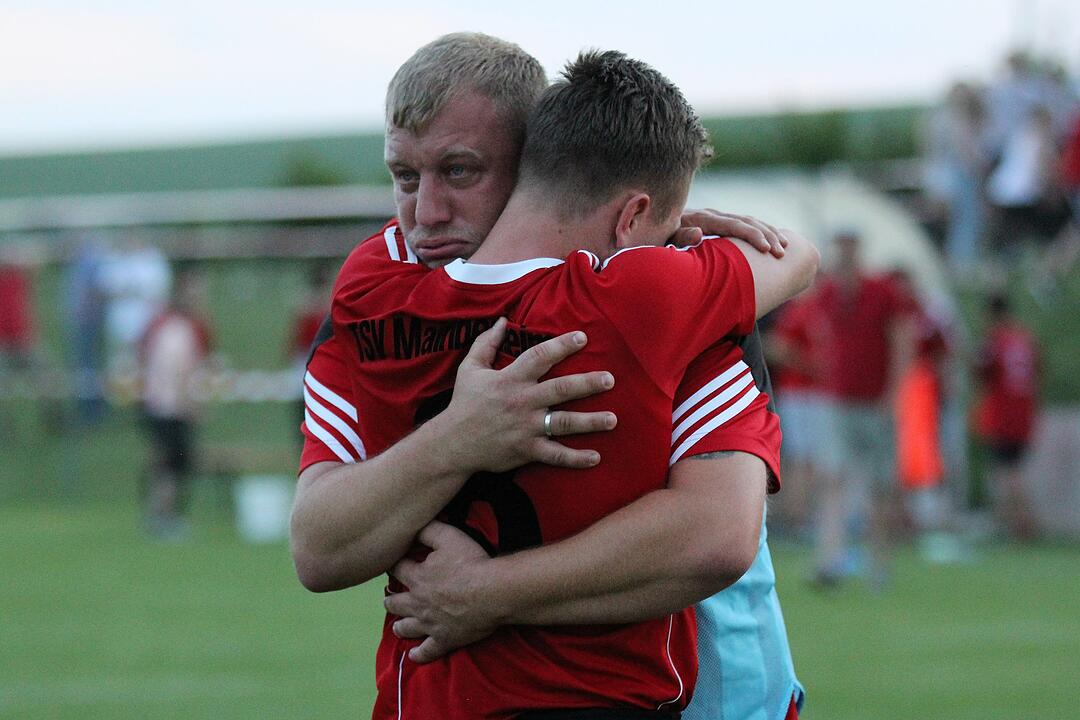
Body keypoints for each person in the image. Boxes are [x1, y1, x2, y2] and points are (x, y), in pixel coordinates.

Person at [291, 34, 811, 719]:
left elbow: (714, 533)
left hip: (712, 699)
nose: (426, 213)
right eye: (405, 178)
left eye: (460, 172)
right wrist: (458, 437)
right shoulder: (376, 292)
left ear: (530, 162)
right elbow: (319, 549)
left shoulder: (373, 290)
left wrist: (483, 593)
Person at [810, 230, 915, 589]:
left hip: (874, 401)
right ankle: (831, 558)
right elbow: (817, 332)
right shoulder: (830, 294)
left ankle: (877, 561)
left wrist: (894, 392)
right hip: (839, 400)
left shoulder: (882, 291)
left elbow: (902, 340)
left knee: (878, 484)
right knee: (834, 478)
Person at [138, 268, 212, 539]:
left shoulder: (171, 326)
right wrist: (191, 403)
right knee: (172, 465)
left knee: (169, 464)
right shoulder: (177, 329)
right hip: (171, 408)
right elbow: (179, 371)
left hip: (162, 405)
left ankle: (163, 515)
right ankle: (164, 517)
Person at [972, 293, 1040, 539]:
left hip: (1003, 415)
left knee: (1006, 472)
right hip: (1024, 415)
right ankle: (1015, 524)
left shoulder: (994, 341)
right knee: (1015, 470)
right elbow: (1038, 374)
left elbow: (981, 373)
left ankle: (1020, 526)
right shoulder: (1026, 339)